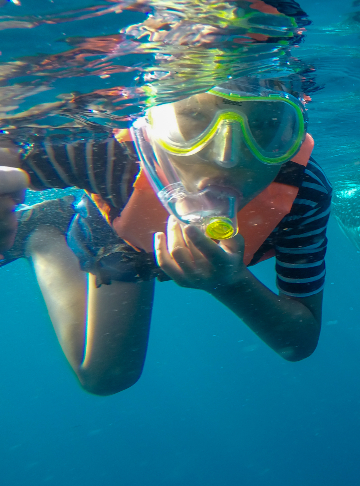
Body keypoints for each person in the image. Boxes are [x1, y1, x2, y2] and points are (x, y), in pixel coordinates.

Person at [0, 77, 331, 396]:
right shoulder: (110, 154)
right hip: (120, 229)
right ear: (152, 123)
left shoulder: (304, 194)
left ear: (291, 137)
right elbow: (9, 151)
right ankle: (44, 233)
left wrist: (232, 283)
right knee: (105, 375)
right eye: (193, 115)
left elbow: (300, 340)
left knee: (107, 380)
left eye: (262, 126)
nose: (225, 157)